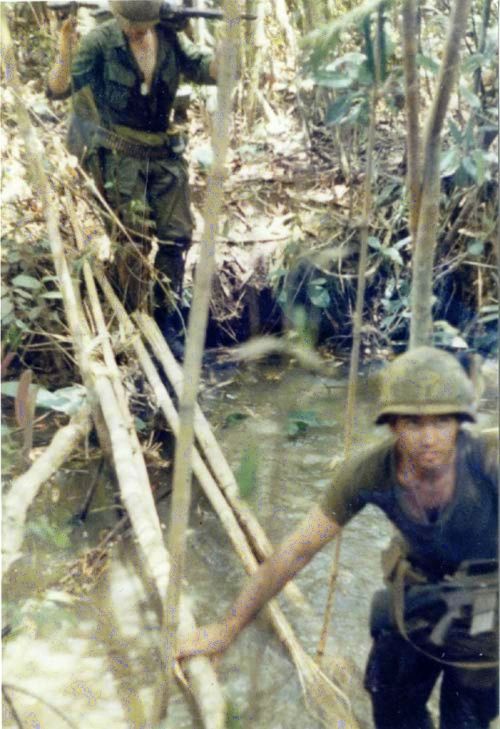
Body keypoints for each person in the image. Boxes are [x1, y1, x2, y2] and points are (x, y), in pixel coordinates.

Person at [177, 346, 498, 729]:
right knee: (392, 707)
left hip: (484, 606)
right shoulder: (371, 472)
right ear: (393, 426)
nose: (429, 437)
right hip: (416, 596)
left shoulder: (487, 460)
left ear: (460, 424)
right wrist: (227, 629)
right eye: (413, 423)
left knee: (466, 717)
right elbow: (296, 551)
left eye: (442, 422)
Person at [47, 0, 218, 353]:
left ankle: (167, 320)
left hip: (165, 156)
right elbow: (58, 88)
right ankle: (137, 322)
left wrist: (231, 42)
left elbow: (211, 70)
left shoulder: (170, 37)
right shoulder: (99, 43)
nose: (132, 31)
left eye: (139, 25)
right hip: (121, 158)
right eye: (126, 23)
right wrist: (65, 47)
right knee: (132, 244)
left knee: (177, 238)